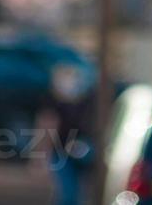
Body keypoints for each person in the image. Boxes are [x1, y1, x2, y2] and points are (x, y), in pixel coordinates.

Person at [45, 63, 93, 205]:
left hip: (82, 150)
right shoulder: (54, 102)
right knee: (68, 194)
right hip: (61, 152)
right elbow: (48, 126)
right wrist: (42, 153)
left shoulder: (88, 101)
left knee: (76, 193)